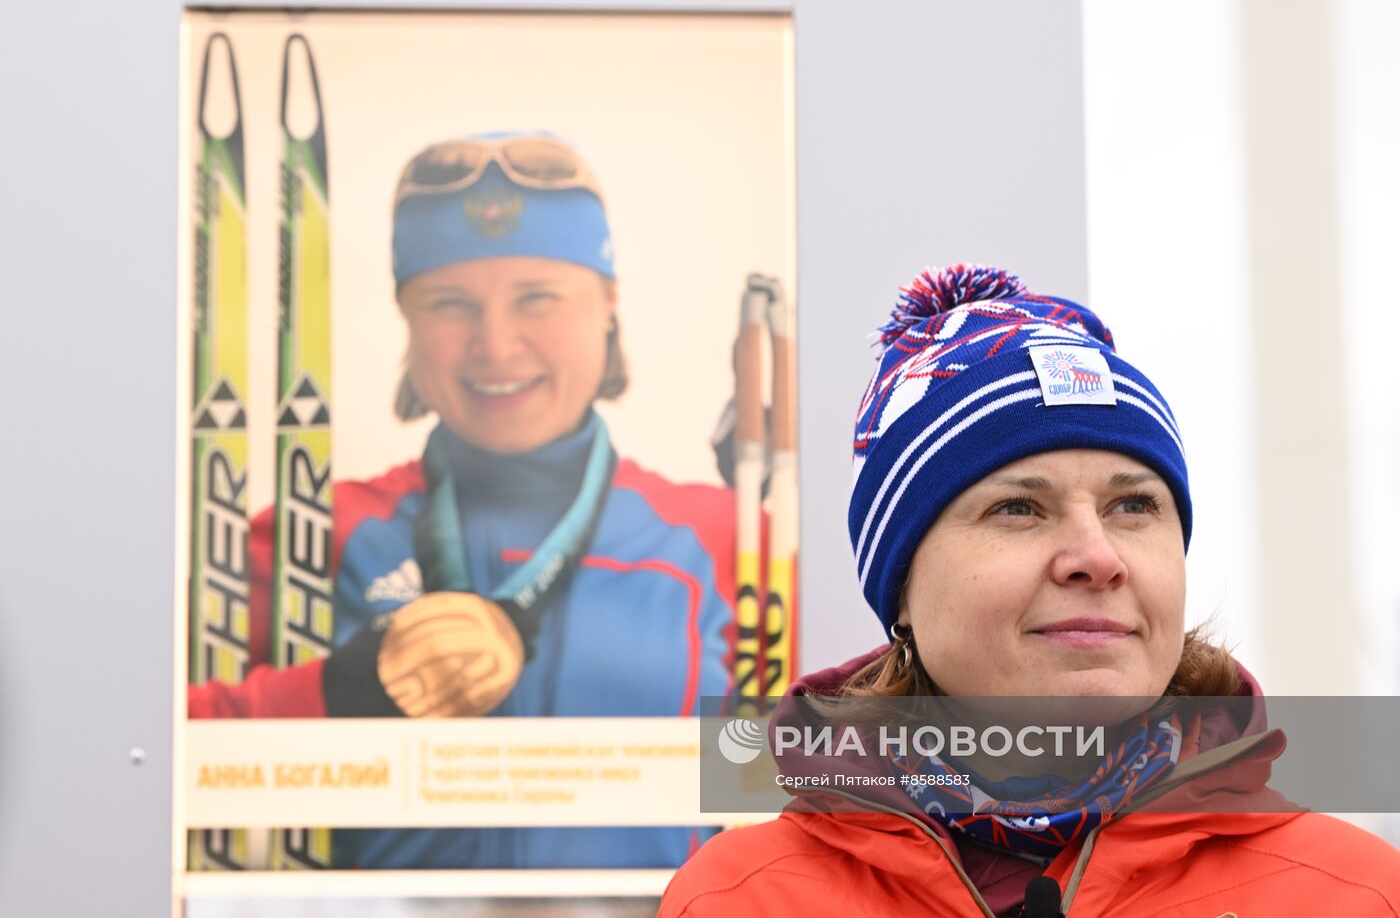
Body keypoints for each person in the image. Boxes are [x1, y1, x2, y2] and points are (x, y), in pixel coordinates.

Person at [660, 264, 1400, 916]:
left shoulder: (1355, 894)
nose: (1097, 556)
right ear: (903, 590)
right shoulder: (739, 898)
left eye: (1134, 505)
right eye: (1019, 507)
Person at [189, 132, 744, 869]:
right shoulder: (311, 536)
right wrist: (337, 692)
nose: (496, 343)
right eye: (451, 303)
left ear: (608, 303)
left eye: (537, 298)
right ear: (407, 318)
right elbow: (135, 758)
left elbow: (858, 783)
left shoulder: (720, 540)